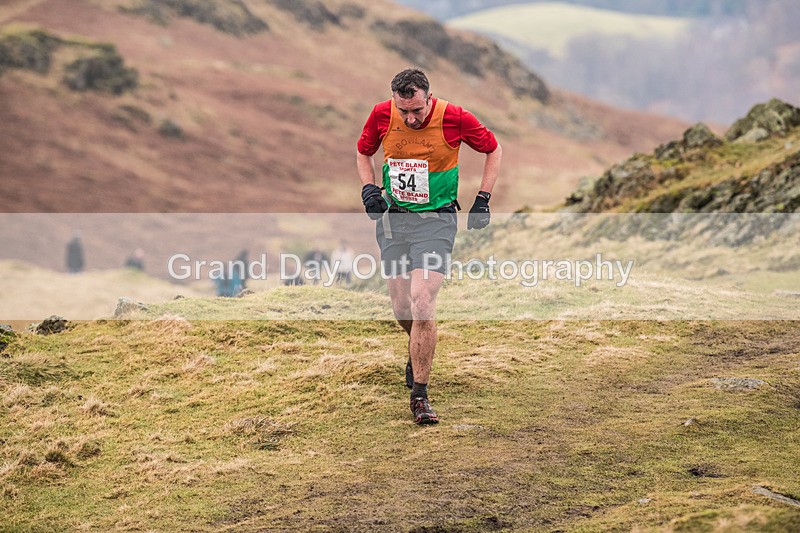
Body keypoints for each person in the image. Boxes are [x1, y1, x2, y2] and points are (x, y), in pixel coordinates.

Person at [356, 68, 502, 424]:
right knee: (401, 305)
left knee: (423, 301)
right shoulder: (380, 114)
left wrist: (483, 199)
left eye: (417, 110)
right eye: (404, 110)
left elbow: (493, 148)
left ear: (428, 98)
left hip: (437, 221)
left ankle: (420, 396)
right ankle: (417, 346)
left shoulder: (453, 117)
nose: (410, 118)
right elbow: (363, 153)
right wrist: (369, 189)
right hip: (394, 220)